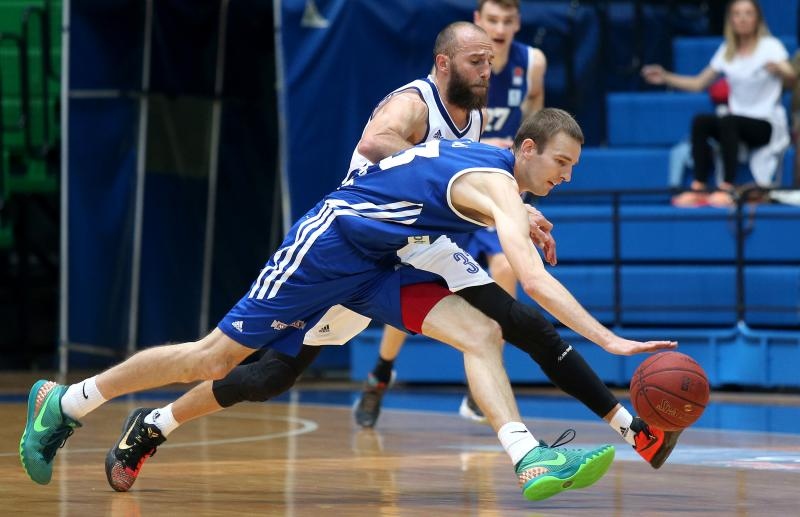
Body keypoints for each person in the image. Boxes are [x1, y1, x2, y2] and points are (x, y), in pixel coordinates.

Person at [99, 23, 679, 494]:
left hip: (409, 250)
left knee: (500, 327)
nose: (488, 71)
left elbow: (476, 185)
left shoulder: (478, 129)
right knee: (265, 374)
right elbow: (380, 147)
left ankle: (559, 450)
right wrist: (610, 339)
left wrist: (515, 211)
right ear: (446, 62)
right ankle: (152, 423)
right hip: (348, 242)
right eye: (478, 61)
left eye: (492, 62)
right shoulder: (413, 101)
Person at [360, 0, 548, 425]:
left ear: (518, 24)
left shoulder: (531, 64)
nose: (499, 30)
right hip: (447, 187)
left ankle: (480, 384)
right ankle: (382, 370)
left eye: (507, 21)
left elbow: (534, 112)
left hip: (490, 185)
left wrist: (520, 156)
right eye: (492, 21)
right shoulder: (450, 82)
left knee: (505, 267)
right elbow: (389, 140)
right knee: (415, 284)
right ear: (477, 24)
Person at [641, 0, 796, 208]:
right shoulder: (727, 51)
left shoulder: (770, 46)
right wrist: (666, 77)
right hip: (734, 124)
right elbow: (698, 83)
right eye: (737, 14)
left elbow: (792, 75)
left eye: (748, 13)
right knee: (702, 121)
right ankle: (699, 187)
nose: (742, 18)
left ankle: (727, 188)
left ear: (757, 18)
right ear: (730, 20)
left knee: (727, 121)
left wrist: (779, 69)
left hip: (765, 124)